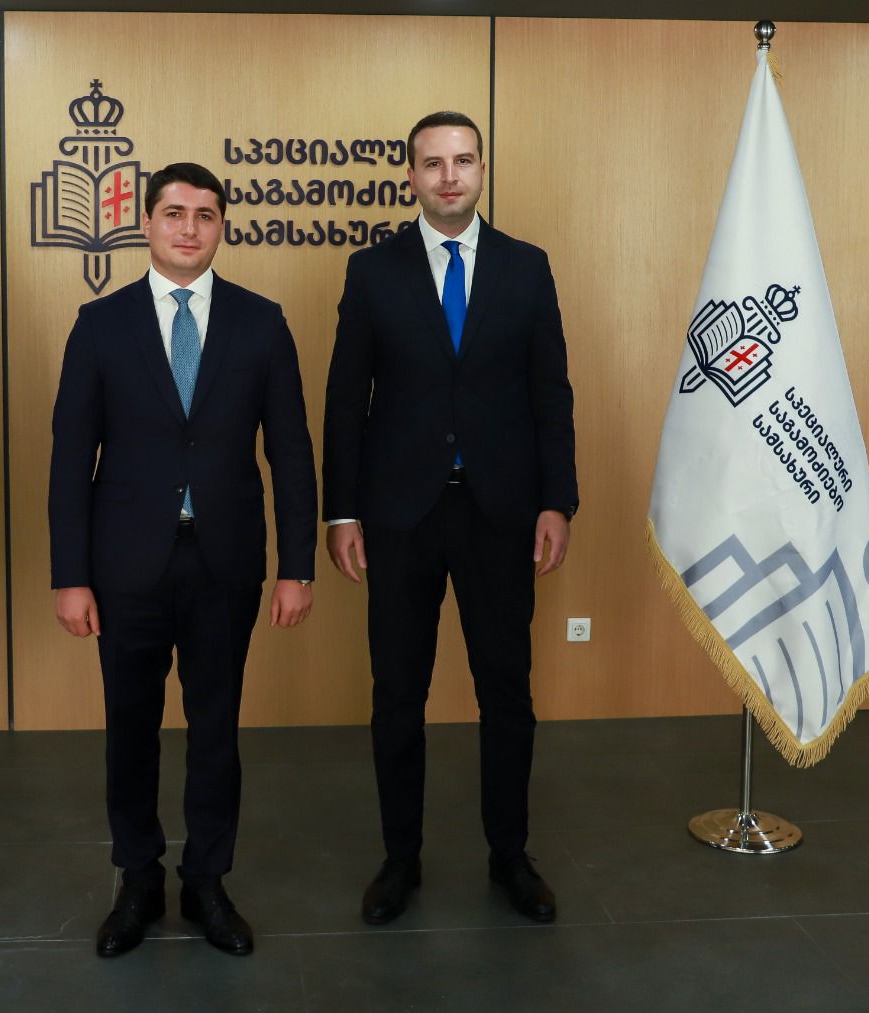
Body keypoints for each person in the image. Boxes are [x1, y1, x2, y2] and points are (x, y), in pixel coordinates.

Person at [49, 161, 317, 958]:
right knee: (129, 729)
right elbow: (70, 460)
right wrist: (70, 575)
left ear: (222, 225)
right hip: (125, 566)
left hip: (225, 563)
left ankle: (206, 880)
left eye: (205, 214)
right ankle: (137, 879)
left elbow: (292, 455)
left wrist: (297, 566)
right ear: (148, 223)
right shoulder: (99, 325)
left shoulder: (262, 323)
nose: (190, 228)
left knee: (216, 730)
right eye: (174, 213)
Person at [322, 112, 578, 926]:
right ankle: (400, 858)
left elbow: (550, 393)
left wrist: (557, 500)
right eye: (433, 163)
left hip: (502, 511)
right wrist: (341, 511)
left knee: (506, 691)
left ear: (481, 170)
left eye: (463, 160)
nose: (449, 176)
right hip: (400, 515)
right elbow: (345, 400)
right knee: (398, 691)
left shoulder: (527, 268)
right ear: (411, 177)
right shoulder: (372, 271)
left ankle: (511, 855)